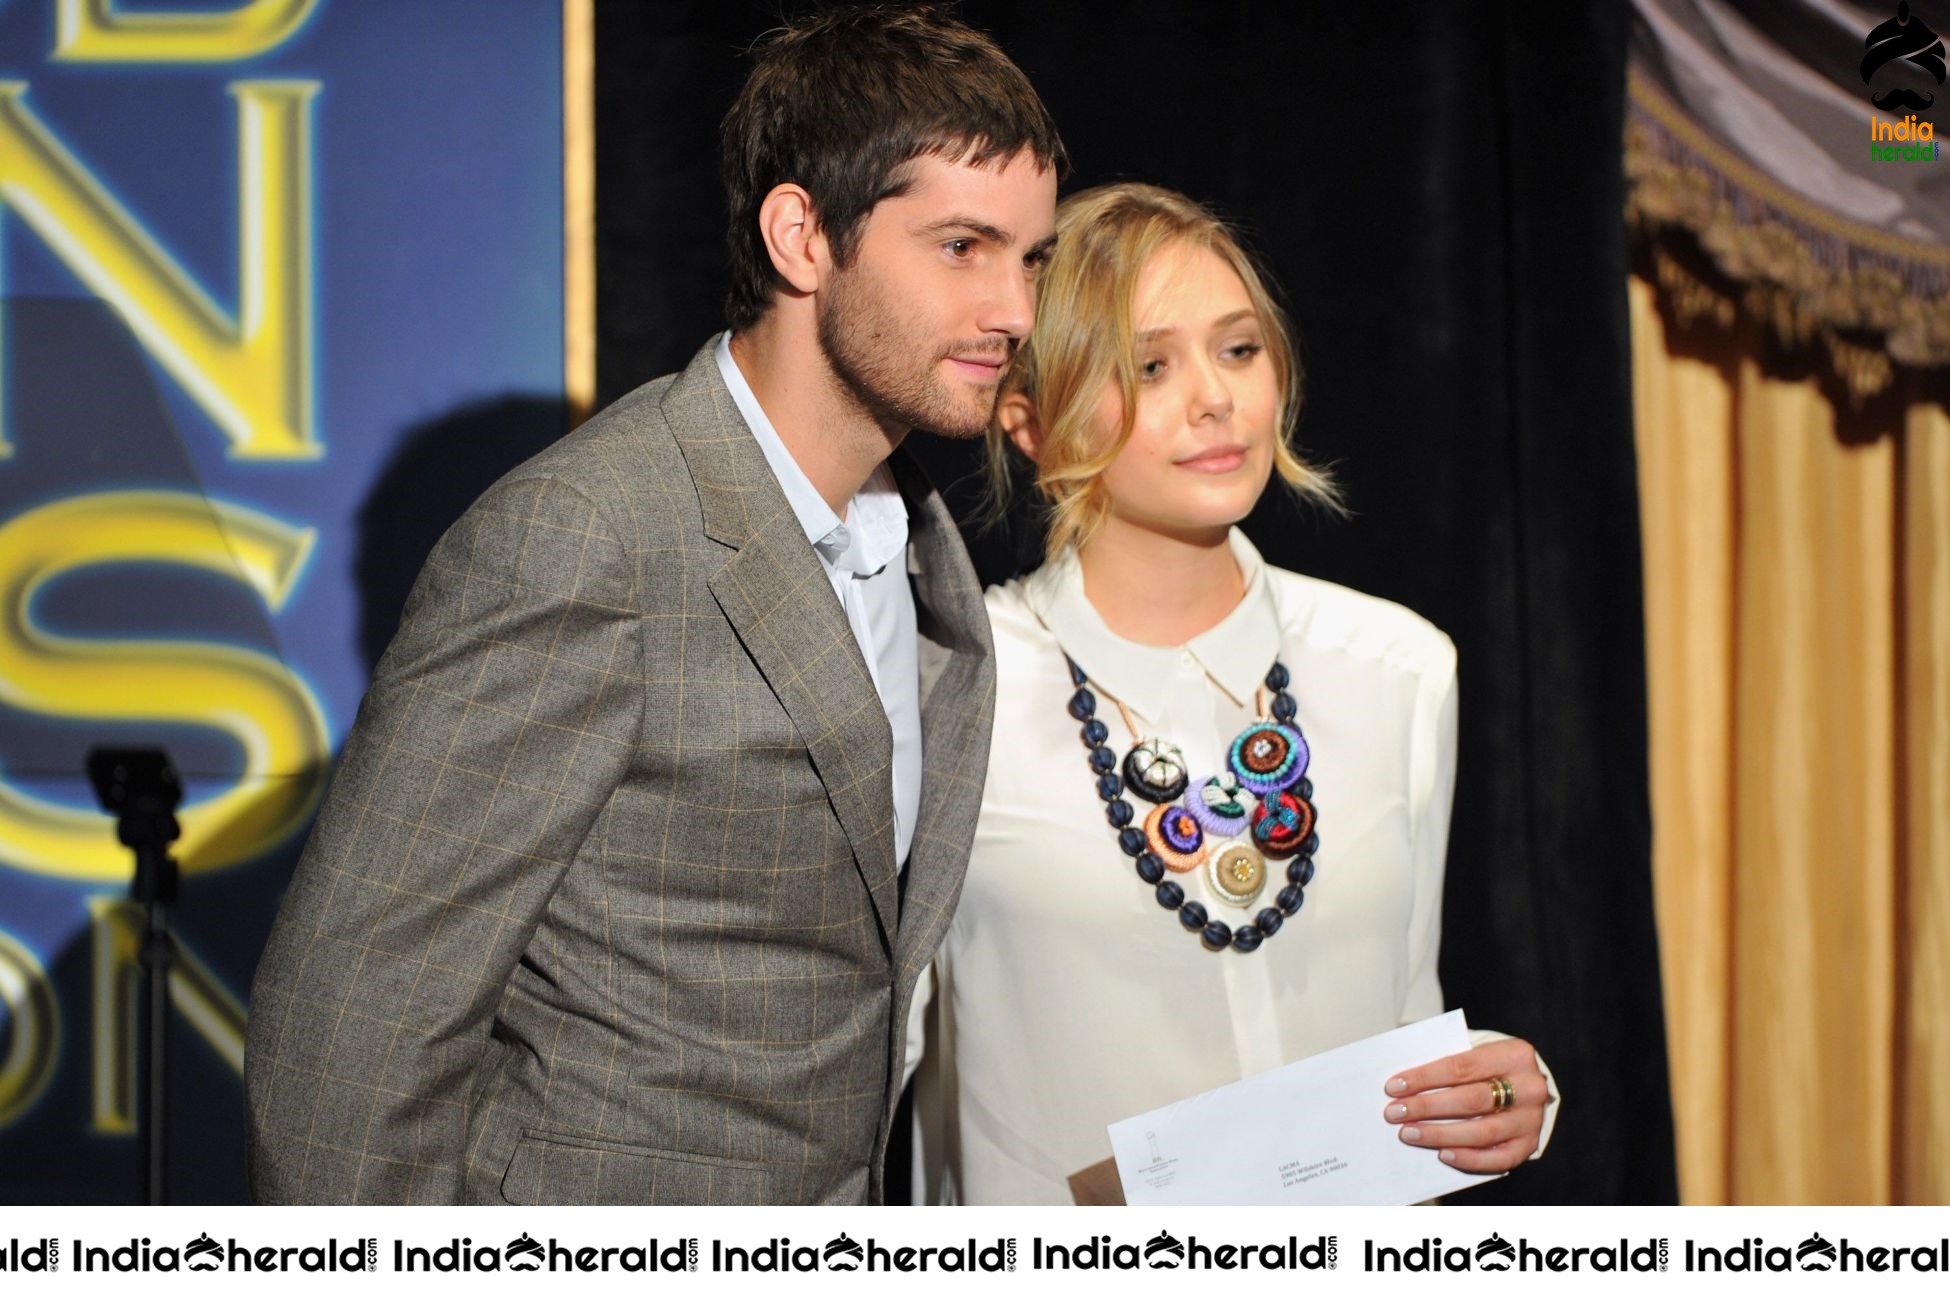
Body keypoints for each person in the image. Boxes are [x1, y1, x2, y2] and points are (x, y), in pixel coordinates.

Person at [244, 7, 1064, 1205]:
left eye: (1030, 257)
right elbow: (348, 1037)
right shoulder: (589, 536)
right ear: (802, 236)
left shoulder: (924, 550)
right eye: (962, 248)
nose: (1017, 312)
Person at [907, 183, 1556, 1205]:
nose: (1214, 396)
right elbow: (864, 1068)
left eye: (1240, 348)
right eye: (1149, 364)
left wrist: (1499, 1087)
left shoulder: (1398, 667)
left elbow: (1397, 1021)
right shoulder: (943, 682)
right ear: (1030, 423)